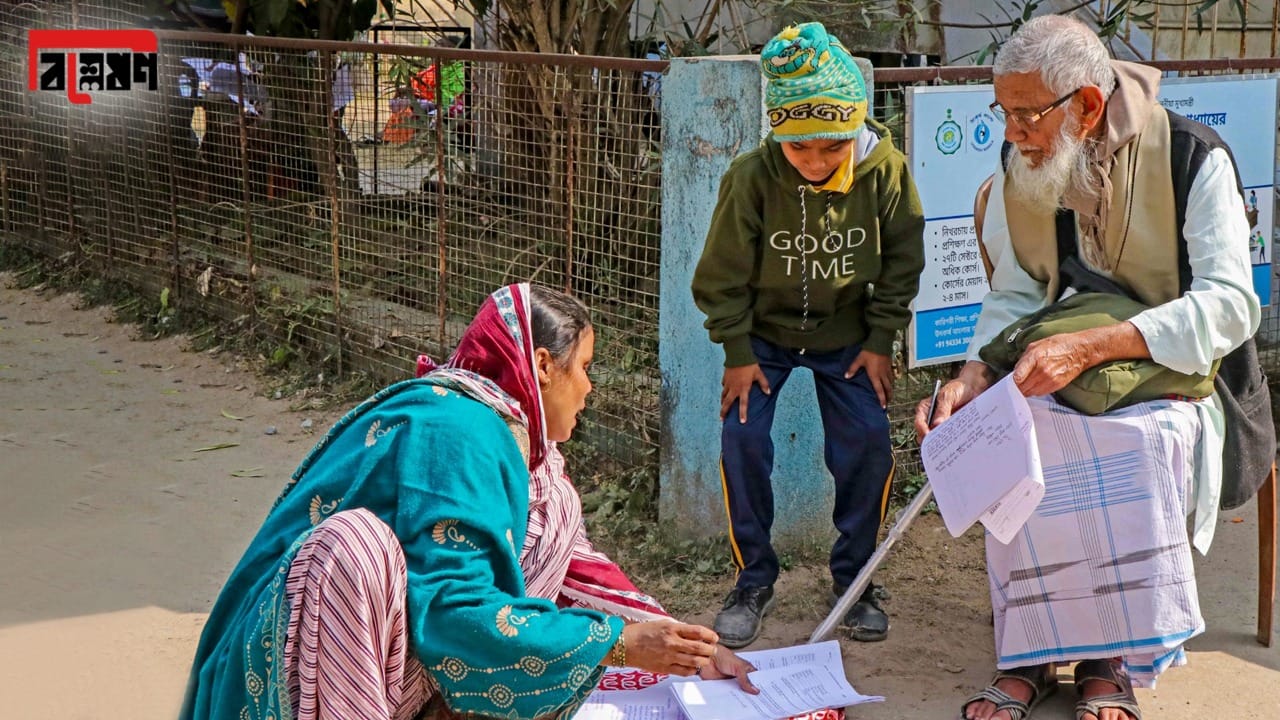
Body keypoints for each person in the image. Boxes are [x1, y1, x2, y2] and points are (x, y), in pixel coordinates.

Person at [181, 284, 758, 720]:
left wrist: (685, 646)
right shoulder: (458, 432)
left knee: (555, 512)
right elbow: (452, 607)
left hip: (384, 655)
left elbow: (574, 565)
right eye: (584, 368)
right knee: (356, 547)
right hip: (293, 667)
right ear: (542, 366)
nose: (589, 388)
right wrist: (616, 644)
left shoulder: (528, 457)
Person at [914, 16, 1261, 720]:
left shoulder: (1193, 157)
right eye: (1003, 112)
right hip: (1057, 360)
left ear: (1088, 105)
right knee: (1014, 427)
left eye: (1026, 115)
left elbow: (1229, 307)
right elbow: (1017, 289)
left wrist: (1097, 345)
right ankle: (1030, 651)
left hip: (1179, 370)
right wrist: (975, 371)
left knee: (1133, 442)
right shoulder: (1024, 161)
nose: (1012, 133)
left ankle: (1110, 657)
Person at [692, 21, 925, 648]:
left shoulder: (886, 171)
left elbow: (903, 260)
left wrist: (880, 339)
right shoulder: (750, 177)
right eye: (800, 149)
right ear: (778, 132)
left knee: (868, 443)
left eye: (832, 147)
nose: (816, 163)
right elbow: (720, 276)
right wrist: (738, 352)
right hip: (763, 339)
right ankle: (752, 580)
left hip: (848, 337)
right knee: (742, 440)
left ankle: (855, 581)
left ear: (855, 126)